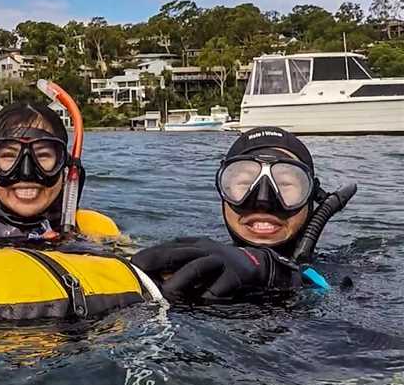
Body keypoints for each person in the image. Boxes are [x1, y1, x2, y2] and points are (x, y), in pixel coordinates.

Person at [132, 126, 353, 302]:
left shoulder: (345, 271)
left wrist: (279, 276)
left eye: (285, 184)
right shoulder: (192, 255)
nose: (263, 200)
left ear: (311, 197)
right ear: (224, 192)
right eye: (245, 183)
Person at [0, 102, 121, 245]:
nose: (26, 172)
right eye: (9, 156)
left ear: (65, 170)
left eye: (43, 155)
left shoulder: (94, 230)